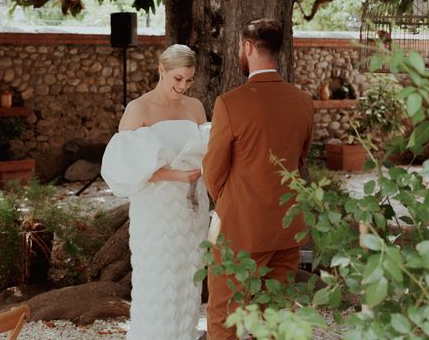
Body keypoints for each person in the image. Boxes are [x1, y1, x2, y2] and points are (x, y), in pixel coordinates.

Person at [202, 18, 314, 340]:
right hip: (287, 228)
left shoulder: (230, 103)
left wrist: (227, 205)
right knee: (276, 318)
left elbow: (213, 169)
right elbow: (300, 158)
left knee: (225, 317)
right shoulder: (303, 102)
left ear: (248, 47)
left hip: (241, 230)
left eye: (241, 46)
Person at [101, 44, 209, 340]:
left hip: (193, 206)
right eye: (177, 79)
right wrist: (176, 174)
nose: (183, 86)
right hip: (156, 207)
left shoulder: (195, 107)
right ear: (161, 70)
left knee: (188, 278)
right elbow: (127, 166)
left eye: (189, 80)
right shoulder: (139, 109)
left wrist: (203, 168)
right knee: (158, 279)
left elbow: (206, 150)